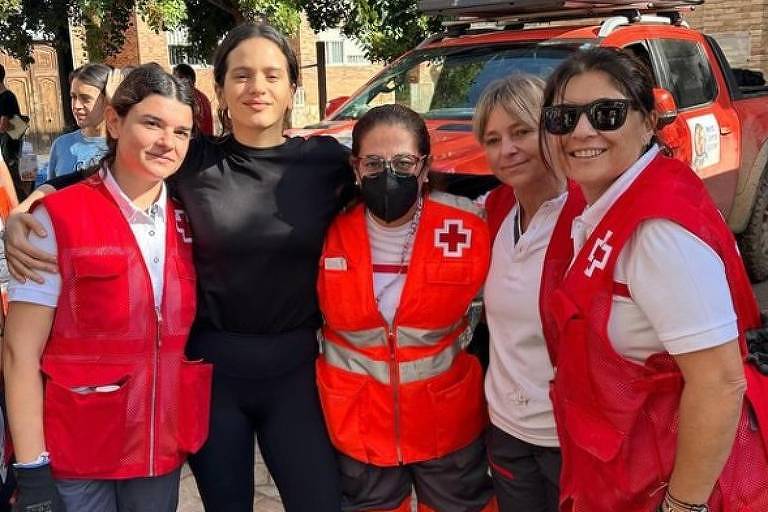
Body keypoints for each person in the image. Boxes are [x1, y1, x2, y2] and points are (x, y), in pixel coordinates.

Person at [4, 23, 354, 512]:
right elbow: (109, 171)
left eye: (273, 75)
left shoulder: (328, 163)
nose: (258, 87)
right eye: (242, 75)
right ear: (222, 88)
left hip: (294, 369)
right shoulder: (194, 157)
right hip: (212, 374)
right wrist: (31, 205)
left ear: (293, 86)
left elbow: (407, 182)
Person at [539, 47, 768, 511]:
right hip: (626, 464)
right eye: (564, 117)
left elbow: (720, 383)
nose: (582, 131)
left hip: (671, 482)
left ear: (647, 122)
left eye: (607, 114)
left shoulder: (657, 233)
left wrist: (682, 506)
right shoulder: (602, 202)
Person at [2, 63, 212, 512]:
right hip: (77, 457)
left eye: (181, 131)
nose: (167, 143)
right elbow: (19, 352)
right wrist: (32, 469)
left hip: (158, 449)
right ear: (115, 122)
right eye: (152, 123)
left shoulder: (189, 219)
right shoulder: (57, 219)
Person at [317, 103, 495, 512]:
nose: (388, 174)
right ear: (356, 167)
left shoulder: (470, 226)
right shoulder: (326, 231)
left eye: (402, 162)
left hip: (446, 422)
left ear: (424, 166)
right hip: (358, 422)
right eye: (374, 163)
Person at [474, 75, 585, 512]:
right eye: (493, 139)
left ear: (551, 129)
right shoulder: (494, 210)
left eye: (521, 132)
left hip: (569, 438)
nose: (507, 150)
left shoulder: (587, 217)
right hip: (507, 430)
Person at [46, 64, 113, 179]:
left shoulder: (123, 147)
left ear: (108, 99)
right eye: (73, 97)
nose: (76, 106)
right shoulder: (61, 145)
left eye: (85, 98)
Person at [0, 65, 23, 198]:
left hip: (8, 149)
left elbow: (3, 126)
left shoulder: (6, 97)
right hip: (7, 148)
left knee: (11, 181)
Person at [173, 63, 214, 136]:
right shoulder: (202, 97)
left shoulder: (187, 98)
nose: (174, 82)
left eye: (177, 78)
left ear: (188, 79)